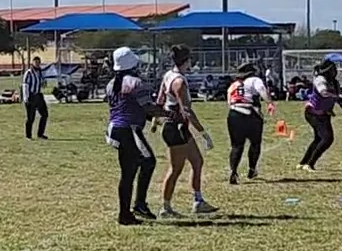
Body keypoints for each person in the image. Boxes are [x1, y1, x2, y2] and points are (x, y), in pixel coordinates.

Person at [155, 47, 216, 216]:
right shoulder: (179, 82)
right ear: (186, 60)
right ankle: (165, 207)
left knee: (197, 161)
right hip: (176, 128)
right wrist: (202, 133)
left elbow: (160, 100)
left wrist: (156, 120)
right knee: (176, 169)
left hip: (178, 126)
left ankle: (198, 201)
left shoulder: (168, 75)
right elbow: (186, 110)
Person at [107, 48, 161, 224]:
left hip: (115, 128)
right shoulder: (136, 83)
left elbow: (128, 106)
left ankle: (131, 209)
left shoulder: (111, 84)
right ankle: (134, 208)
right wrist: (169, 114)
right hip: (128, 129)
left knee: (131, 170)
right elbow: (148, 107)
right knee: (145, 163)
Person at [299, 60, 342, 171]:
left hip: (324, 114)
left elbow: (340, 101)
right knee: (327, 138)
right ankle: (309, 164)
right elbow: (323, 92)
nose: (335, 71)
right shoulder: (320, 79)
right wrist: (337, 97)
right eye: (333, 69)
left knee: (319, 139)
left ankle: (303, 163)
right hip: (313, 112)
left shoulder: (335, 83)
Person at [225, 62, 270, 184]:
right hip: (250, 113)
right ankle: (252, 169)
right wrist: (269, 102)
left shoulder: (233, 85)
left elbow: (229, 101)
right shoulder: (254, 80)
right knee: (255, 143)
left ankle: (233, 171)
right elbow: (262, 90)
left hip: (234, 113)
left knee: (236, 145)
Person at [21, 57, 50, 140]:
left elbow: (43, 83)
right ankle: (28, 135)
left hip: (39, 95)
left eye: (38, 62)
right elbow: (25, 85)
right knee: (31, 117)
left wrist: (44, 84)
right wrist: (26, 97)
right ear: (32, 63)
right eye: (35, 62)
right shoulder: (29, 73)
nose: (37, 64)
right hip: (31, 96)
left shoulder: (40, 72)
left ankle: (40, 134)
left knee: (44, 114)